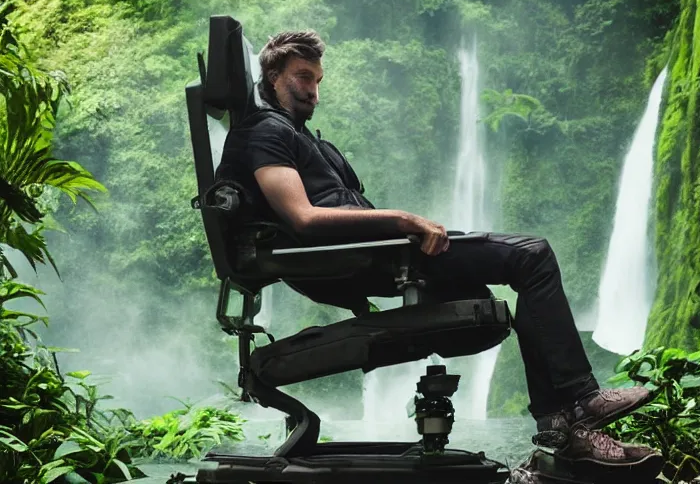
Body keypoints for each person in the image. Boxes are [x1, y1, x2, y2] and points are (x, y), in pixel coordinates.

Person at [215, 30, 658, 465]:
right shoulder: (265, 132)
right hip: (377, 257)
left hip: (384, 252)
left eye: (317, 80)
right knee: (532, 255)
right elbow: (303, 219)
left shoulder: (297, 134)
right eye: (303, 77)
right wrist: (403, 221)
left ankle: (562, 427)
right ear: (273, 76)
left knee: (485, 301)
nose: (313, 90)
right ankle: (580, 401)